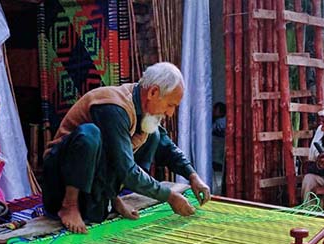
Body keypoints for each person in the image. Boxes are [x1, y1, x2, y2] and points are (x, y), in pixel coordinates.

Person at [42, 62, 211, 233]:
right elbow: (126, 170)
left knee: (154, 135)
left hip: (93, 181)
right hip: (59, 183)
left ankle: (112, 198)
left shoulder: (142, 108)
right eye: (170, 105)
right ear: (153, 92)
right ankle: (69, 206)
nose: (170, 113)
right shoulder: (114, 107)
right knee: (90, 134)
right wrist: (170, 196)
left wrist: (192, 176)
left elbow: (166, 147)